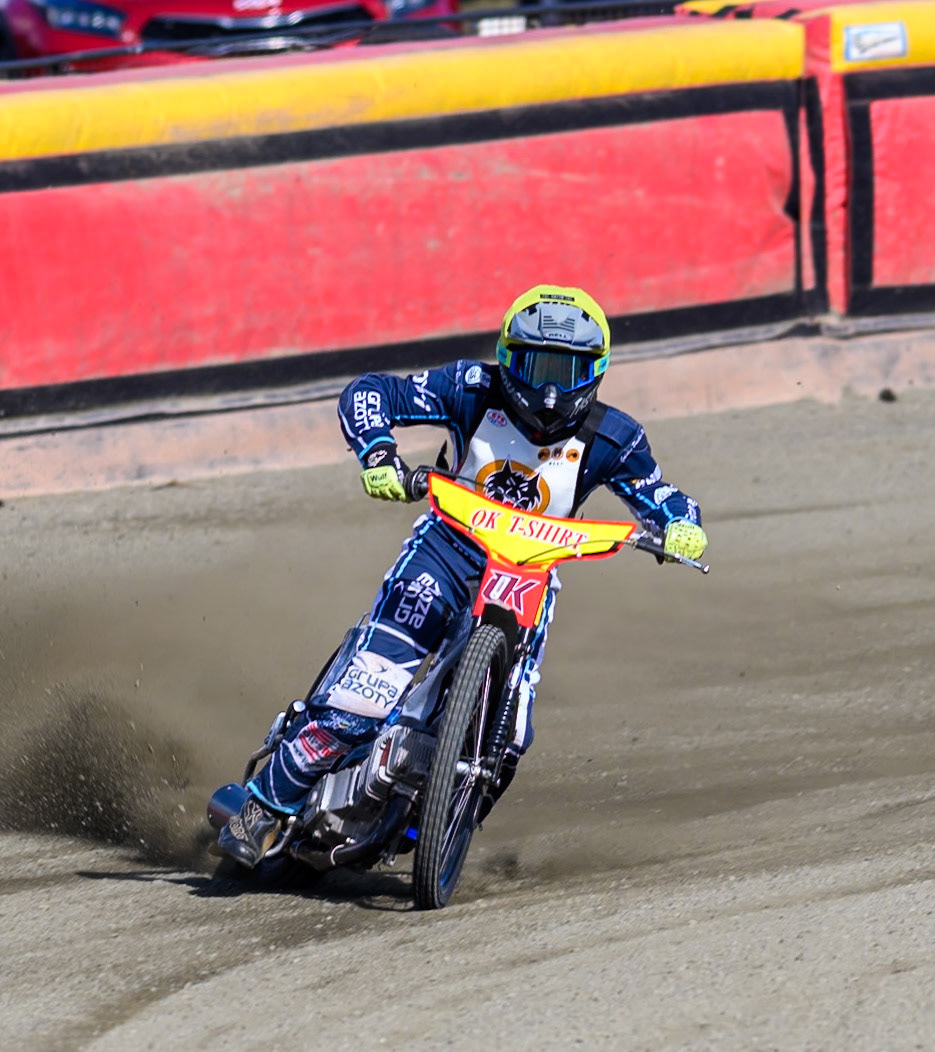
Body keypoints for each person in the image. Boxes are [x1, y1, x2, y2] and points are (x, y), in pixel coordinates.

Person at [216, 285, 706, 868]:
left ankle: (435, 830)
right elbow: (370, 392)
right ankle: (263, 807)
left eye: (566, 369)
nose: (548, 391)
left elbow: (663, 496)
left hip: (528, 576)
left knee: (511, 738)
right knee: (362, 699)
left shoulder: (614, 438)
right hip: (445, 553)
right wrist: (377, 454)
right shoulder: (471, 388)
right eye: (534, 365)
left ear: (596, 369)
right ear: (506, 358)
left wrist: (681, 528)